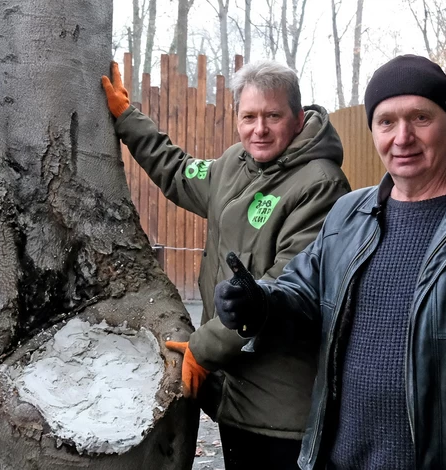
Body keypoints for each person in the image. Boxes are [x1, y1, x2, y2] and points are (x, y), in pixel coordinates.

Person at [214, 54, 446, 469]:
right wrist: (259, 304)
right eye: (386, 121)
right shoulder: (349, 214)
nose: (402, 137)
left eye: (421, 118)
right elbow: (302, 293)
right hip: (341, 459)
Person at [101, 61, 350, 468]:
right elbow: (179, 171)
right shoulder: (234, 165)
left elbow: (284, 285)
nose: (260, 129)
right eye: (249, 117)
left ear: (298, 118)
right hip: (234, 397)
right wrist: (128, 120)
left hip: (283, 411)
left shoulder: (319, 184)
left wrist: (203, 347)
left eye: (273, 116)